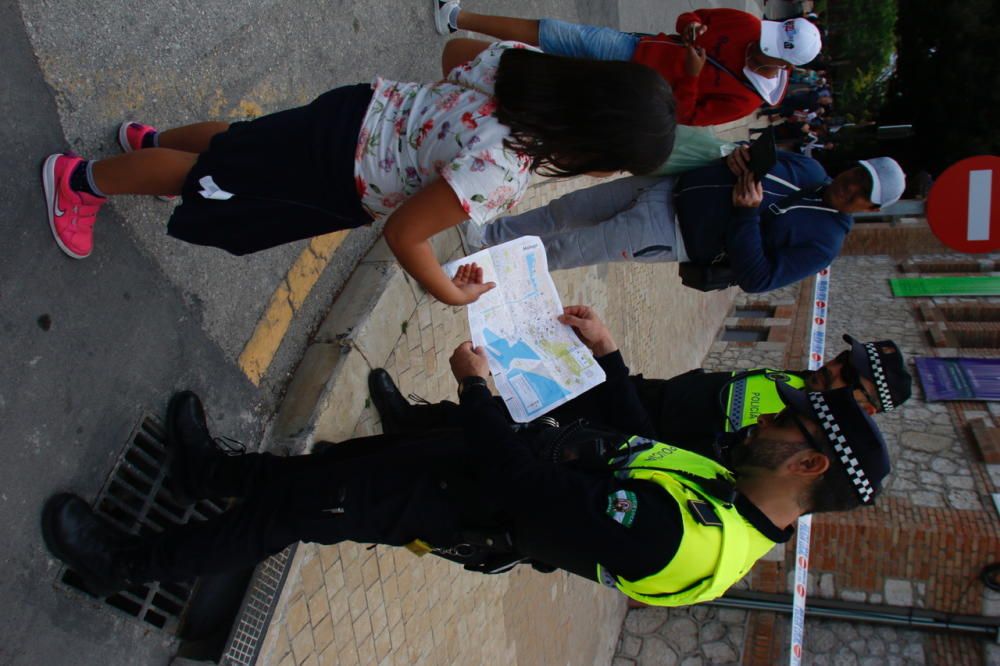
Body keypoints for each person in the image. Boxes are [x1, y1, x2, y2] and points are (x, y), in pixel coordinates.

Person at [42, 307, 892, 607]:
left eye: (796, 425)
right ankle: (207, 472)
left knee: (289, 517)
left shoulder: (689, 543)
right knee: (318, 472)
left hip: (463, 497)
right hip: (472, 461)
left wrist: (479, 393)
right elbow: (645, 438)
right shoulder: (732, 488)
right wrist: (608, 356)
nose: (777, 417)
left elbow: (525, 492)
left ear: (809, 467)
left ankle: (125, 563)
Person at [41, 40, 675, 306]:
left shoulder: (528, 67)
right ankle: (81, 182)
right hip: (338, 175)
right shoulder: (502, 171)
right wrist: (448, 290)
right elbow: (405, 233)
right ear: (597, 151)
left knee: (240, 143)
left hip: (352, 112)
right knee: (206, 178)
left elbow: (454, 54)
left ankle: (143, 144)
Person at [369, 330, 911, 461]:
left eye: (847, 374)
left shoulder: (788, 440)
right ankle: (411, 422)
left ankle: (402, 440)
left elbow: (655, 441)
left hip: (620, 432)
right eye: (843, 357)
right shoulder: (801, 385)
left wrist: (611, 361)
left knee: (502, 434)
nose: (833, 365)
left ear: (864, 405)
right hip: (632, 395)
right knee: (515, 401)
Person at [467, 149, 907, 294]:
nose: (849, 186)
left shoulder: (824, 244)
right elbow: (752, 153)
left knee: (565, 250)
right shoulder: (810, 170)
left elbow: (757, 278)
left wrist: (746, 214)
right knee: (564, 209)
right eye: (855, 176)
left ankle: (477, 275)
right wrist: (737, 156)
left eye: (860, 193)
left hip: (668, 233)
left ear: (869, 210)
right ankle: (485, 237)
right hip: (665, 186)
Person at [432, 2, 822, 126]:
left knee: (545, 84)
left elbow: (681, 116)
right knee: (558, 34)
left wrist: (690, 77)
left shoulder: (746, 101)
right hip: (634, 48)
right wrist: (692, 27)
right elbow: (690, 16)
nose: (757, 44)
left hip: (632, 91)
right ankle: (459, 17)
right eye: (767, 37)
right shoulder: (749, 24)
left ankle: (456, 102)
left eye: (766, 51)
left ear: (783, 65)